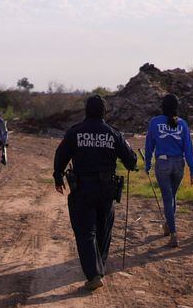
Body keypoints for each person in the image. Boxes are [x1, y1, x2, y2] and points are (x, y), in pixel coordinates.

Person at [53, 95, 137, 291]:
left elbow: (61, 156)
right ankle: (98, 268)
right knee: (103, 230)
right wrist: (132, 163)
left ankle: (94, 273)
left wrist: (58, 177)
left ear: (86, 111)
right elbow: (130, 160)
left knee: (85, 231)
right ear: (104, 112)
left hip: (82, 188)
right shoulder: (113, 134)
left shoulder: (75, 132)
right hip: (106, 190)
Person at [144, 94, 193, 248]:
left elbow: (149, 146)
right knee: (172, 197)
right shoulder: (183, 124)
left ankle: (173, 233)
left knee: (168, 199)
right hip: (179, 163)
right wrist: (192, 170)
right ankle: (168, 225)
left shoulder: (154, 122)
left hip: (163, 163)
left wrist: (147, 164)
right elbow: (188, 149)